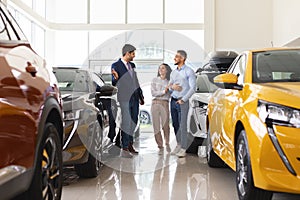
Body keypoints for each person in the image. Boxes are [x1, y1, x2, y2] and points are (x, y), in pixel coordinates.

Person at [111, 44, 144, 158]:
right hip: (124, 97)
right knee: (126, 122)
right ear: (127, 53)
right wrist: (115, 78)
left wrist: (141, 95)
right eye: (133, 53)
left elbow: (135, 80)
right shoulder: (116, 65)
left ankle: (130, 144)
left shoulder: (132, 65)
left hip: (135, 97)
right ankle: (124, 147)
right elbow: (114, 83)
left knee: (134, 121)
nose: (134, 56)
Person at [169, 50, 196, 157]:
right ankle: (179, 144)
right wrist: (172, 87)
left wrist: (183, 99)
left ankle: (184, 148)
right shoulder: (173, 72)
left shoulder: (189, 71)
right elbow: (170, 86)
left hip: (182, 101)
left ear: (183, 58)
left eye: (177, 56)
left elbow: (193, 88)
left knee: (182, 125)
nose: (174, 58)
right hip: (173, 100)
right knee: (175, 124)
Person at [151, 63, 172, 155]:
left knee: (165, 125)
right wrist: (164, 91)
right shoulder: (154, 80)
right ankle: (160, 145)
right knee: (156, 126)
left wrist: (168, 90)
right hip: (155, 102)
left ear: (167, 70)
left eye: (163, 68)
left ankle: (167, 142)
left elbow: (170, 93)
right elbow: (153, 93)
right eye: (159, 68)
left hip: (165, 103)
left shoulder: (169, 81)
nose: (161, 70)